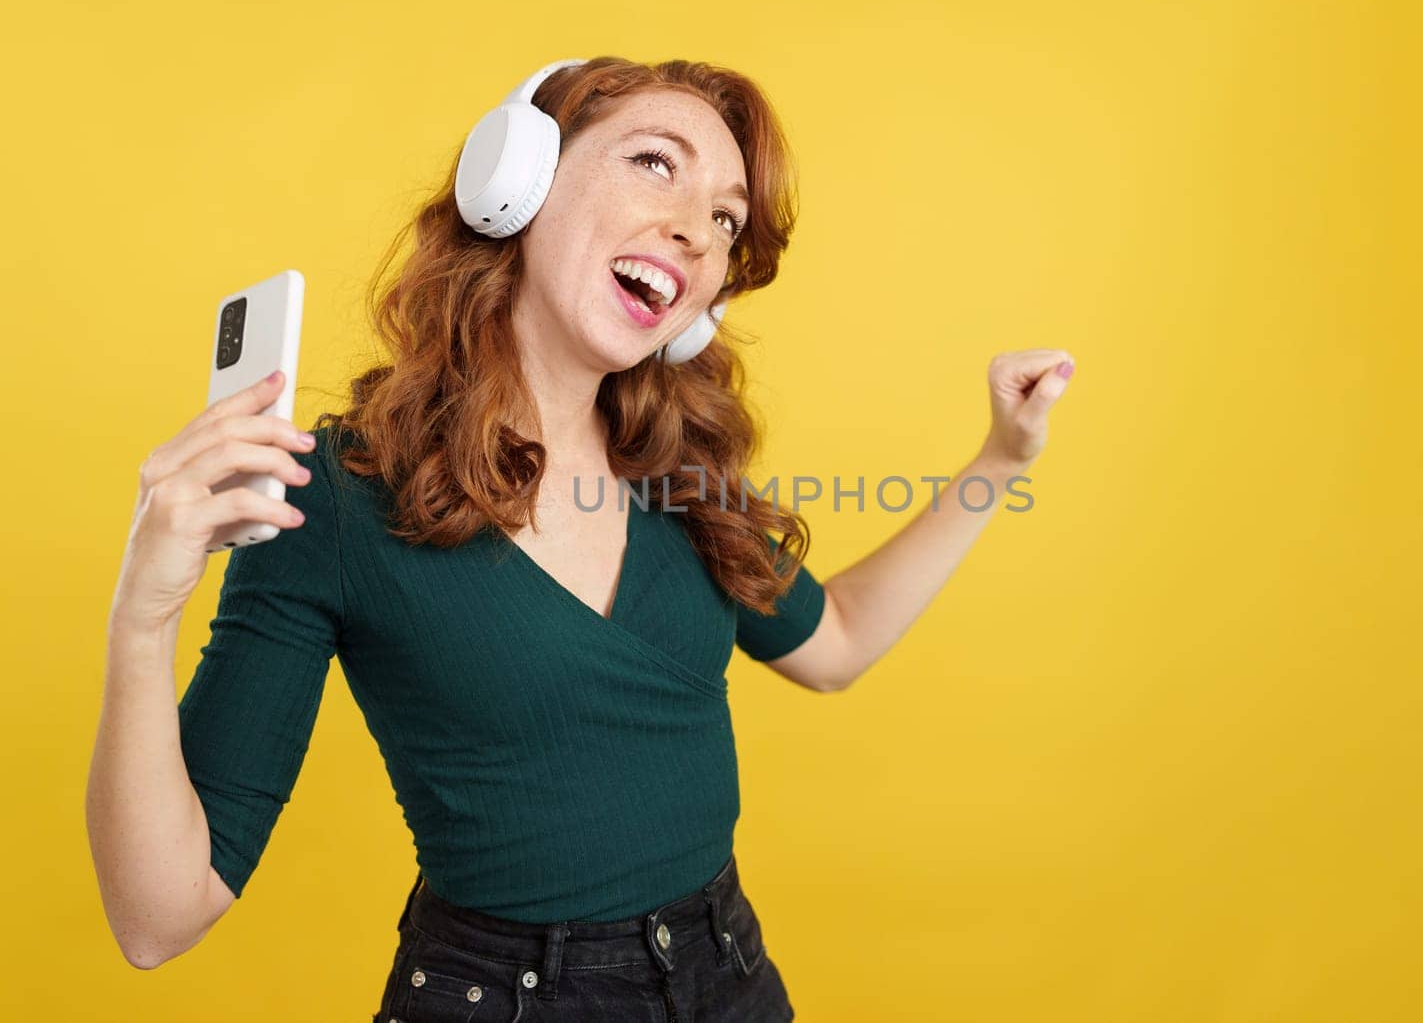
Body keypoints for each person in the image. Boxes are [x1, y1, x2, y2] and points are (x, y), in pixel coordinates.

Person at [86, 55, 1076, 1020]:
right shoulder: (340, 496)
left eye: (725, 218)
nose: (695, 229)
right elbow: (158, 917)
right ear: (514, 182)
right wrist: (144, 610)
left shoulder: (678, 474)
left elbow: (840, 639)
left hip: (728, 970)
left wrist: (1001, 457)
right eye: (654, 162)